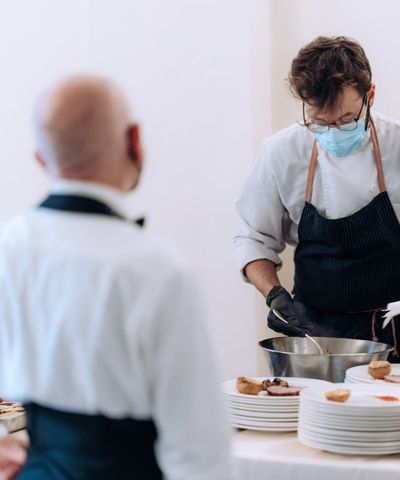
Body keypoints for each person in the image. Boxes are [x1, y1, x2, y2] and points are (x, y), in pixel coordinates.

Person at [0, 75, 233, 479]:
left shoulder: (7, 247)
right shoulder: (159, 271)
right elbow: (199, 454)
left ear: (41, 159)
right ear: (134, 141)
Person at [235, 36, 400, 365]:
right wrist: (274, 294)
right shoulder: (281, 154)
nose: (332, 131)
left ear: (370, 96)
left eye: (345, 121)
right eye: (319, 122)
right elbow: (253, 239)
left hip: (398, 334)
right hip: (314, 338)